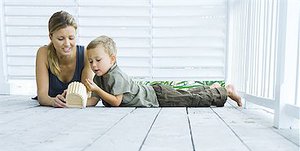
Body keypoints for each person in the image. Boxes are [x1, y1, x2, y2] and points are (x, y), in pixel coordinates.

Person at [85, 36, 242, 108]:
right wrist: (75, 103)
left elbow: (116, 102)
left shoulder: (115, 75)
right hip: (155, 92)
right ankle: (212, 89)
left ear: (112, 59)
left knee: (191, 99)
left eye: (98, 60)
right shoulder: (100, 77)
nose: (93, 65)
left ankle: (225, 91)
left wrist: (96, 90)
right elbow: (94, 100)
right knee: (185, 94)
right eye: (90, 61)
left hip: (158, 97)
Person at [35, 11, 93, 107]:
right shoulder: (43, 53)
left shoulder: (86, 54)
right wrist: (53, 101)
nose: (67, 44)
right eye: (61, 39)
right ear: (51, 37)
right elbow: (42, 96)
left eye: (71, 38)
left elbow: (86, 94)